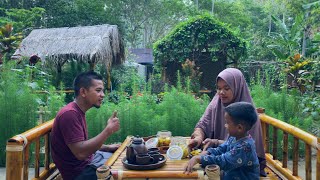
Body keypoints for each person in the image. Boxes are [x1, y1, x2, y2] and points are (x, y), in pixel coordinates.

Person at [188, 68, 266, 176]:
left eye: (227, 88)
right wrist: (200, 138)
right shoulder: (217, 103)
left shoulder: (246, 115)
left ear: (237, 87)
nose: (221, 92)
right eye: (219, 88)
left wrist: (202, 158)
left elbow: (227, 159)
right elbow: (204, 124)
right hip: (223, 166)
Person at [51, 71, 121, 180]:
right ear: (83, 92)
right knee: (124, 171)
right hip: (79, 173)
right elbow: (81, 153)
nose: (102, 95)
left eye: (102, 90)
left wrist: (108, 148)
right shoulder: (70, 114)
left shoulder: (77, 111)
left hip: (89, 163)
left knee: (122, 157)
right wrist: (108, 131)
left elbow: (82, 145)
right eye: (98, 90)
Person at [184, 102, 260, 179]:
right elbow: (221, 149)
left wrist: (199, 158)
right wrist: (208, 152)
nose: (225, 126)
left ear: (239, 128)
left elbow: (224, 161)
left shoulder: (245, 147)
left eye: (227, 123)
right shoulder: (234, 138)